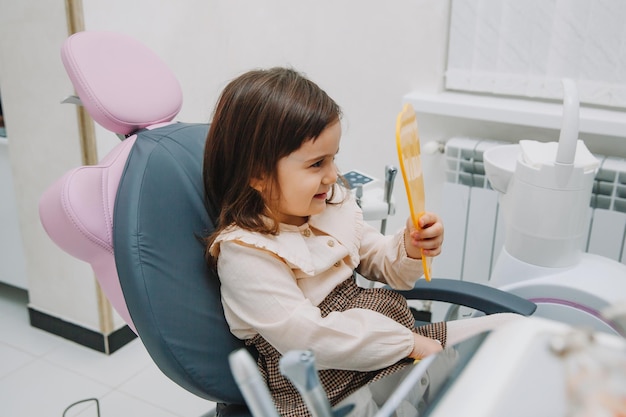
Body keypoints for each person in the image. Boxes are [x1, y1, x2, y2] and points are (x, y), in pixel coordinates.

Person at [203, 67, 520, 416]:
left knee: (513, 333)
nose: (333, 174)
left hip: (388, 350)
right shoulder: (245, 253)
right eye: (316, 164)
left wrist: (411, 247)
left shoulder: (328, 206)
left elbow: (384, 262)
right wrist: (407, 343)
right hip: (326, 391)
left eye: (333, 157)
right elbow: (309, 338)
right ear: (258, 174)